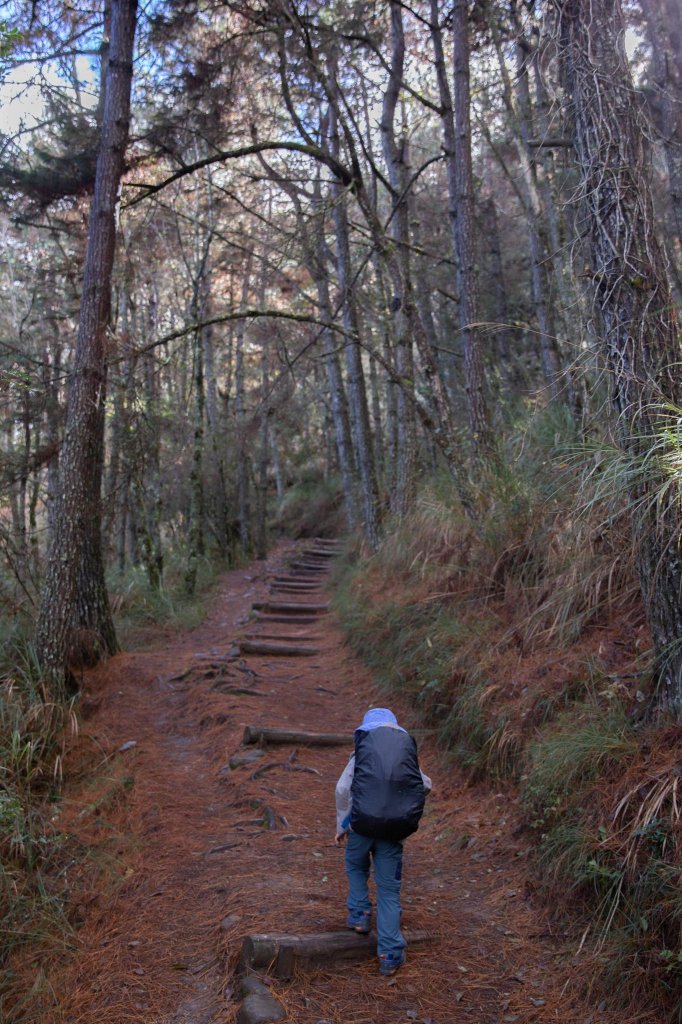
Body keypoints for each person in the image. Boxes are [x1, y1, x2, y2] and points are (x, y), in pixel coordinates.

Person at [334, 707, 432, 976]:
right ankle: (390, 954)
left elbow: (343, 789)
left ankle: (359, 915)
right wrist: (401, 804)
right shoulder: (403, 756)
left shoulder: (362, 754)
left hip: (360, 828)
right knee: (389, 891)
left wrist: (343, 824)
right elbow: (425, 785)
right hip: (392, 833)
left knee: (356, 867)